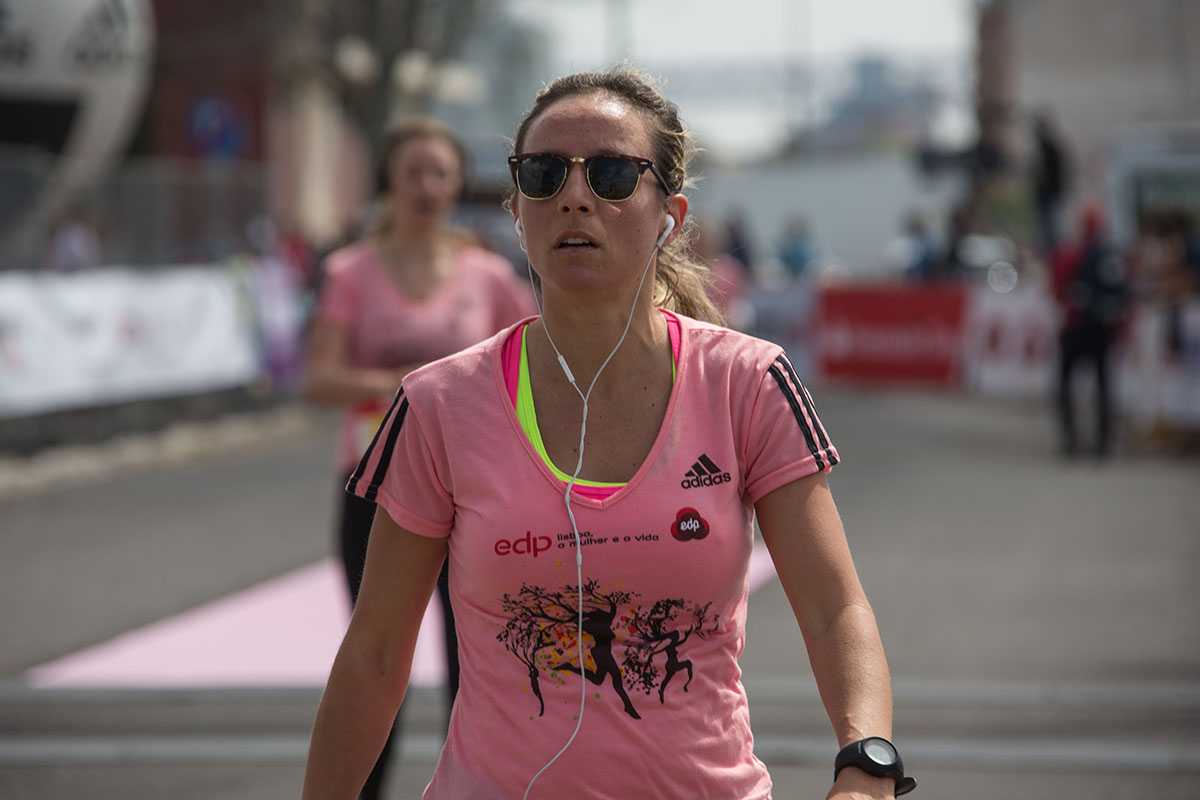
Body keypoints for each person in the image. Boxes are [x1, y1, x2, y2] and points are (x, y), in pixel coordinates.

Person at [303, 69, 915, 800]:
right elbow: (373, 657)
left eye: (615, 174)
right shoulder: (436, 404)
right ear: (517, 208)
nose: (575, 194)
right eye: (543, 172)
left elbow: (834, 608)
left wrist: (867, 763)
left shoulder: (749, 383)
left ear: (671, 215)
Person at [302, 116, 535, 800]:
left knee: (479, 665)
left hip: (474, 495)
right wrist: (412, 385)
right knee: (378, 660)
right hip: (374, 489)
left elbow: (535, 366)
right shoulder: (350, 272)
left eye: (442, 173)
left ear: (459, 183)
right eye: (414, 173)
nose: (429, 186)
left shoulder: (489, 275)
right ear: (390, 184)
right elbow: (318, 378)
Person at [1051, 206, 1127, 458]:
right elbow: (1122, 293)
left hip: (1077, 327)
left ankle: (1072, 438)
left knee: (1066, 383)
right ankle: (1102, 442)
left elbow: (1058, 288)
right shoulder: (1110, 255)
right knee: (1103, 385)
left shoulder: (1072, 253)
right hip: (1100, 329)